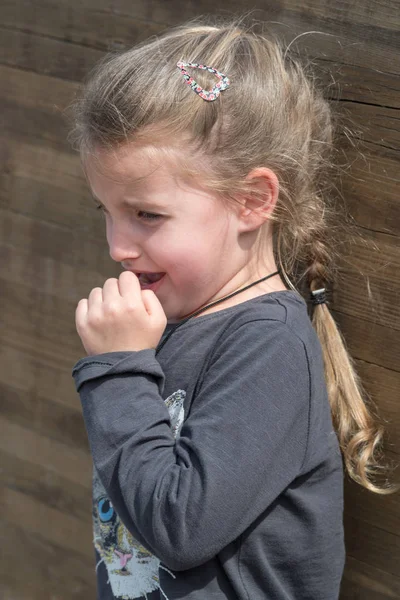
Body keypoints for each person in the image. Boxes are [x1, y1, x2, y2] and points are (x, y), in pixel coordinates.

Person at [68, 14, 396, 600]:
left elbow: (181, 527)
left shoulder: (268, 348)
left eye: (146, 214)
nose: (117, 246)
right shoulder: (164, 322)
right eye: (106, 212)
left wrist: (118, 372)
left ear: (252, 200)